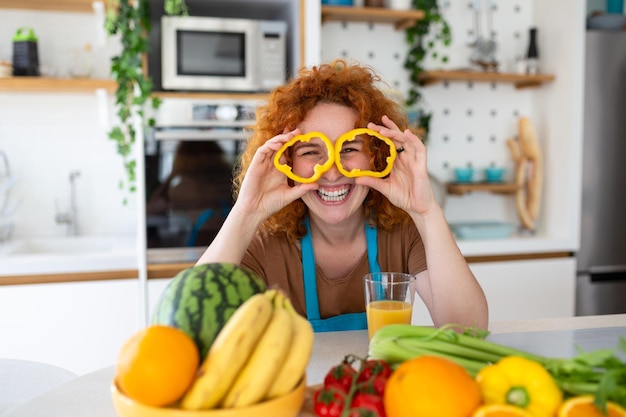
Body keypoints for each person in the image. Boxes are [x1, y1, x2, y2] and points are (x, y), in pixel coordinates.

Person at [196, 59, 488, 332]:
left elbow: (467, 331)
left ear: (376, 154)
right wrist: (247, 211)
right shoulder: (264, 242)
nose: (333, 171)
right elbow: (188, 328)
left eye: (349, 149)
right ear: (286, 163)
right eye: (311, 151)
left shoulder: (405, 232)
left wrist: (427, 212)